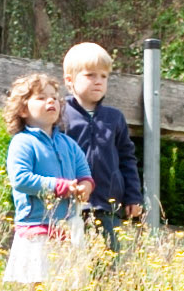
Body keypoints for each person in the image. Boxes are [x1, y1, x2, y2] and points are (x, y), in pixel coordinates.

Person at [2, 72, 93, 289]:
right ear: (23, 110)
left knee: (64, 288)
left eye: (54, 97)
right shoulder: (22, 143)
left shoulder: (68, 144)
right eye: (41, 98)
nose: (50, 101)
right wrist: (59, 186)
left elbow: (84, 173)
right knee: (37, 287)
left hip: (66, 226)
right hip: (36, 226)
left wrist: (85, 187)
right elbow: (21, 179)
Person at [59, 41, 144, 251]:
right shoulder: (60, 116)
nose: (98, 81)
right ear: (70, 80)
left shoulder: (114, 118)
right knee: (70, 263)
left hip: (108, 206)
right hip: (69, 206)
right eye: (90, 75)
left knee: (108, 265)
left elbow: (127, 159)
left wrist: (133, 196)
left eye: (104, 76)